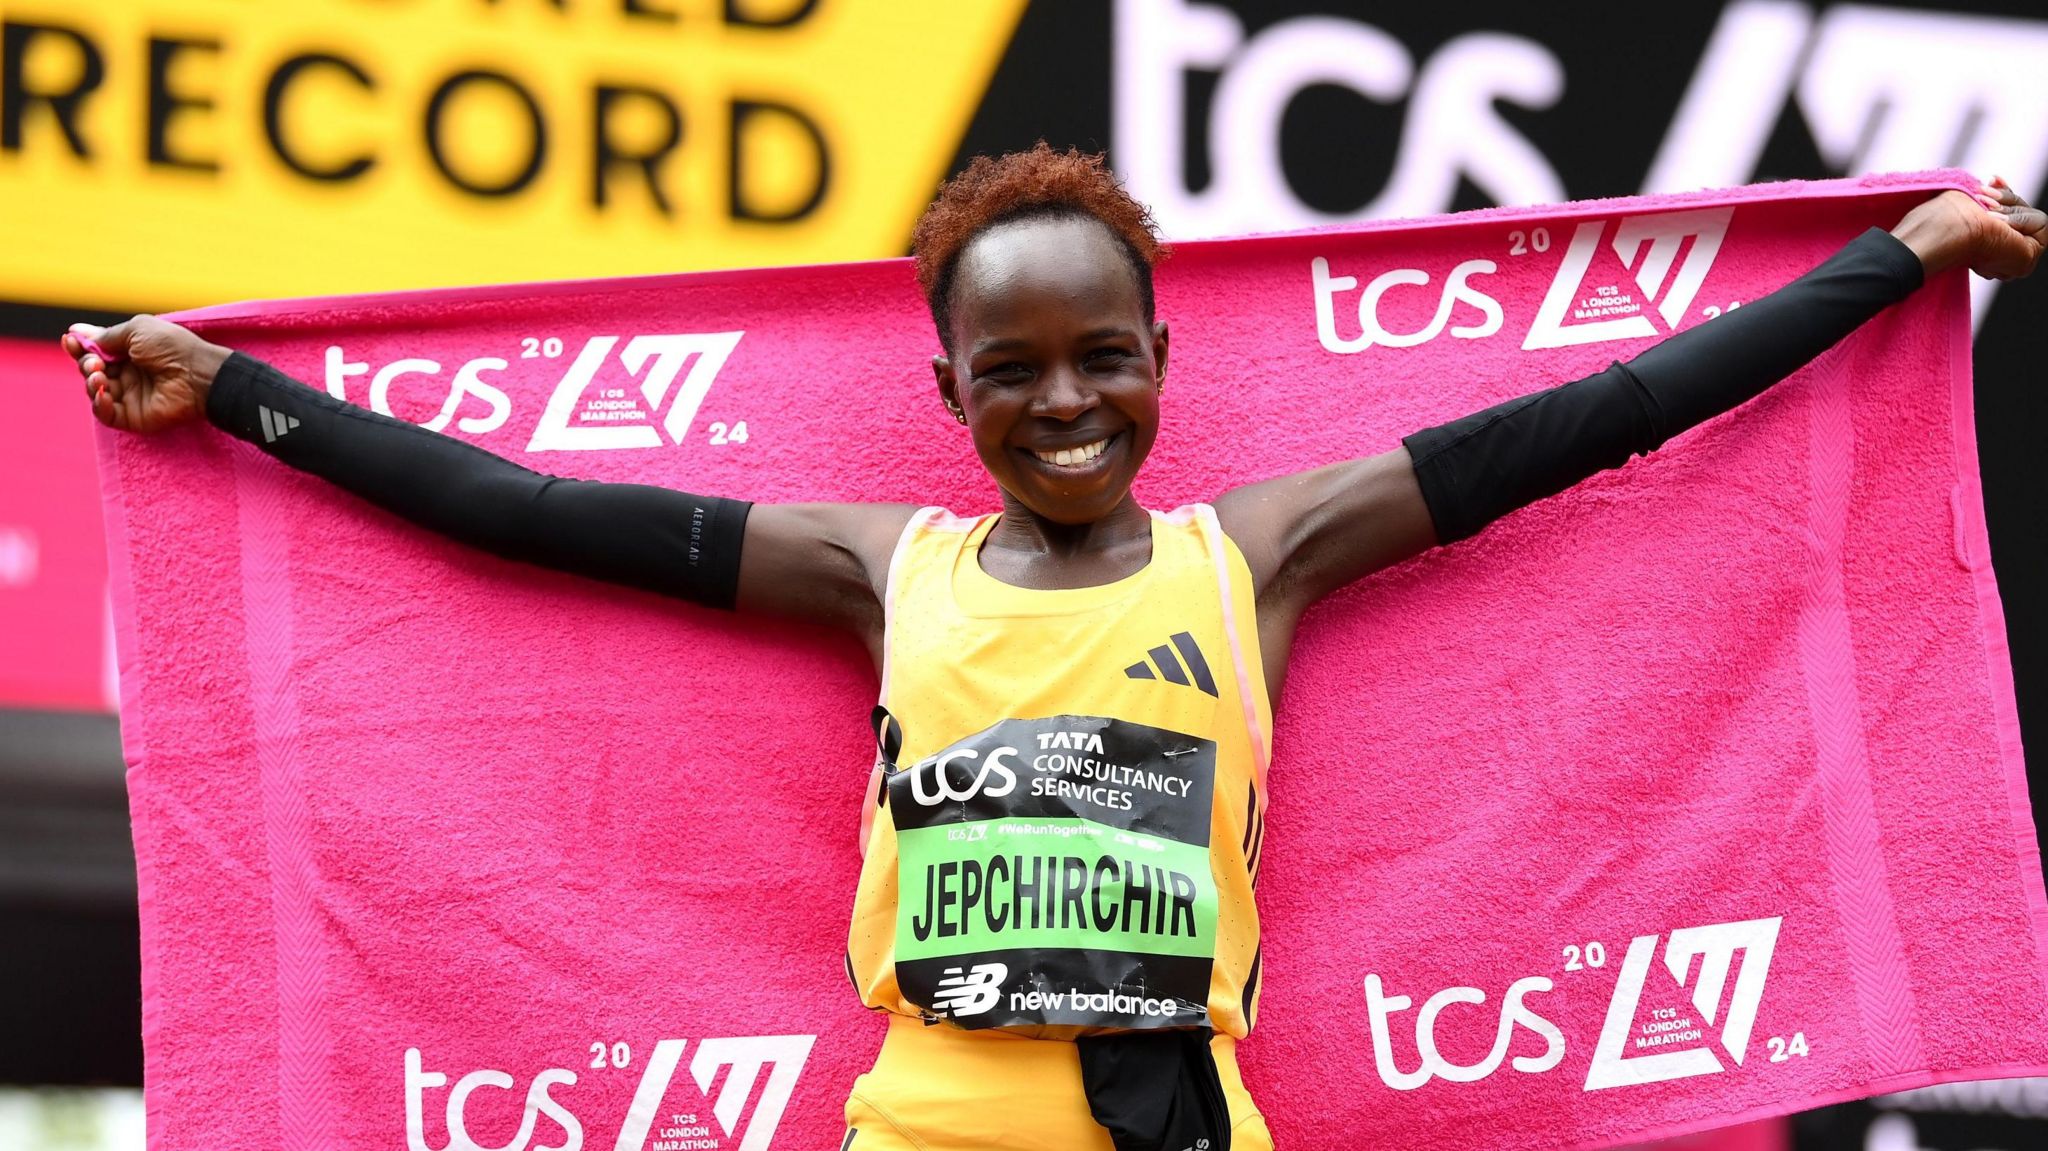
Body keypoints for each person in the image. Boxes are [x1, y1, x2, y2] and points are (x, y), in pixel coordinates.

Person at [65, 146, 2044, 1151]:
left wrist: (1896, 262)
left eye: (1104, 357)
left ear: (1164, 365)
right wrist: (238, 394)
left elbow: (1599, 416)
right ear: (948, 387)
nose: (1067, 400)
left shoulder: (1255, 553)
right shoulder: (875, 568)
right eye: (1014, 370)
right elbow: (526, 510)